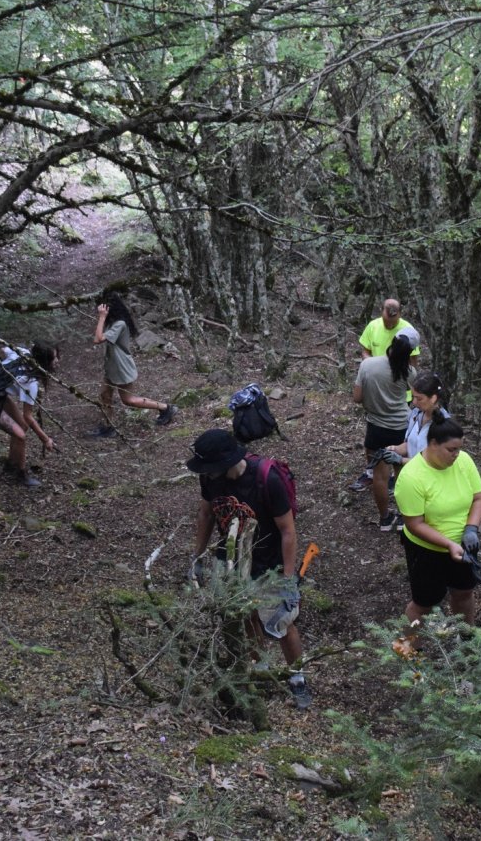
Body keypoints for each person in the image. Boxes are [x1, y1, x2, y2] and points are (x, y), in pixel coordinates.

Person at [186, 429, 310, 710]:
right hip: (230, 559)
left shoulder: (267, 479)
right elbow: (206, 514)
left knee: (282, 623)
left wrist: (288, 580)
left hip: (269, 563)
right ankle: (259, 666)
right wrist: (197, 557)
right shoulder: (210, 478)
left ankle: (297, 676)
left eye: (209, 467)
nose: (204, 473)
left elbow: (288, 531)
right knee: (243, 615)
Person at [394, 417, 481, 633]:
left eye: (459, 449)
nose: (456, 455)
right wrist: (448, 544)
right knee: (424, 604)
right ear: (433, 443)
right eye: (451, 450)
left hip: (463, 544)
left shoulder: (463, 461)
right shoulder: (411, 477)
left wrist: (471, 529)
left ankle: (467, 639)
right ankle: (408, 651)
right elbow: (415, 524)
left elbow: (479, 498)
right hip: (426, 550)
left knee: (464, 592)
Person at [352, 329, 418, 532]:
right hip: (401, 428)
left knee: (379, 476)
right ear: (411, 351)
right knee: (402, 474)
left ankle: (385, 519)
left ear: (392, 341)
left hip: (376, 427)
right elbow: (416, 399)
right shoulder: (409, 372)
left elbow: (357, 397)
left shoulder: (368, 365)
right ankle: (405, 518)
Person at [351, 299, 421, 490]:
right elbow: (365, 349)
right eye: (386, 315)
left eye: (394, 316)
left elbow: (357, 397)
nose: (390, 320)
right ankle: (381, 480)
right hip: (396, 413)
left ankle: (387, 502)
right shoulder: (373, 327)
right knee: (390, 462)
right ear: (381, 310)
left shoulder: (407, 330)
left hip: (387, 409)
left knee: (384, 469)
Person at [92, 293, 175, 435]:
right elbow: (97, 336)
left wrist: (101, 317)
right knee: (105, 396)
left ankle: (166, 408)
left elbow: (98, 339)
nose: (100, 309)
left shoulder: (119, 324)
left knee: (128, 400)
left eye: (103, 307)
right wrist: (103, 319)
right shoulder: (113, 322)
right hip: (112, 366)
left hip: (121, 367)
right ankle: (108, 427)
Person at [0, 342, 58, 487]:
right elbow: (28, 416)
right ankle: (21, 475)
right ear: (44, 362)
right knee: (21, 435)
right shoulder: (31, 383)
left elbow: (0, 347)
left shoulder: (21, 352)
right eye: (54, 359)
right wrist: (46, 439)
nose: (57, 361)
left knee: (22, 427)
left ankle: (11, 463)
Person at [388, 371, 449, 464]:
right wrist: (393, 450)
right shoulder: (416, 414)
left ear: (433, 398)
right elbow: (412, 444)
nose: (414, 402)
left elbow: (433, 462)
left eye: (419, 398)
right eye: (413, 397)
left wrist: (401, 460)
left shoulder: (445, 425)